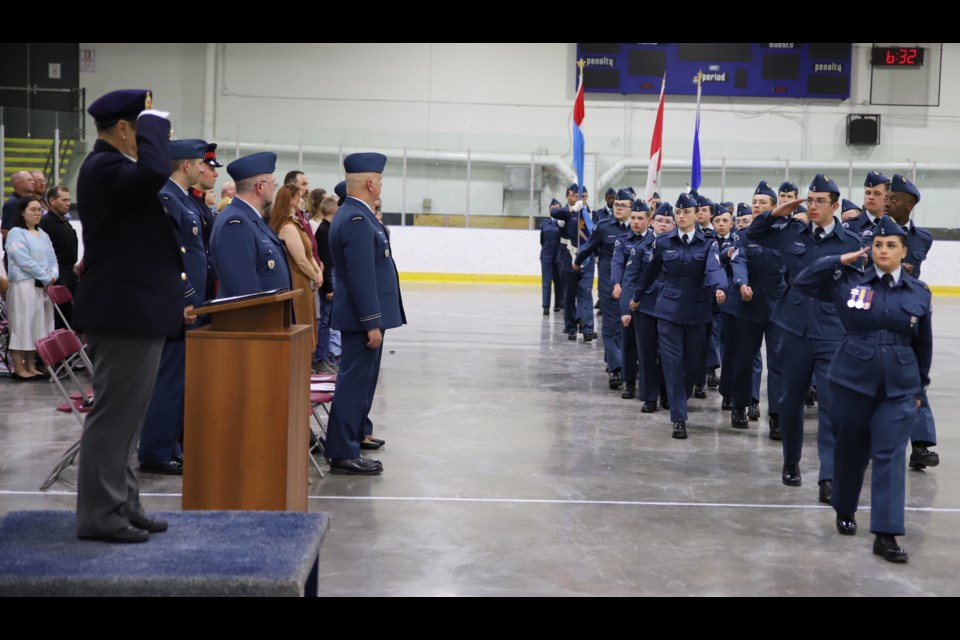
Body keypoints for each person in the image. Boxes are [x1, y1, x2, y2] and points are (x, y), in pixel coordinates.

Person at [73, 89, 187, 543]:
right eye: (146, 131)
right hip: (123, 313)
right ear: (124, 129)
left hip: (134, 311)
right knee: (115, 417)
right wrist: (157, 119)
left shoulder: (115, 170)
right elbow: (158, 169)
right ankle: (100, 514)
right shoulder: (106, 167)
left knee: (129, 419)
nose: (157, 142)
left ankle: (125, 503)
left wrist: (152, 122)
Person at [790, 216, 931, 563]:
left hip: (898, 388)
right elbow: (802, 281)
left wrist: (919, 391)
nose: (884, 250)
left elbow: (922, 347)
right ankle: (845, 506)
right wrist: (838, 259)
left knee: (889, 456)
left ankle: (886, 533)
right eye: (878, 245)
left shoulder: (918, 292)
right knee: (851, 452)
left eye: (891, 245)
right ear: (870, 249)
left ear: (903, 252)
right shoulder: (848, 282)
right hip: (851, 381)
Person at [744, 174, 863, 504]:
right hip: (793, 327)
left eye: (820, 201)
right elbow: (752, 234)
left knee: (830, 404)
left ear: (835, 205)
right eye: (810, 200)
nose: (812, 206)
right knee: (790, 400)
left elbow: (859, 288)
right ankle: (791, 461)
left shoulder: (850, 241)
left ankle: (828, 476)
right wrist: (776, 212)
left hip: (831, 331)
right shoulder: (791, 232)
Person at [325, 152, 405, 474]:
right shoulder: (357, 219)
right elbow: (361, 276)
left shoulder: (355, 214)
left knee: (361, 382)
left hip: (364, 317)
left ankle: (352, 440)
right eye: (380, 180)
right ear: (371, 182)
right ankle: (343, 452)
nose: (381, 185)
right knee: (353, 385)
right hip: (362, 320)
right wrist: (372, 322)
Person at [137, 138, 209, 477]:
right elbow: (167, 256)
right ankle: (154, 451)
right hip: (177, 305)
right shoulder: (166, 198)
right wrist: (185, 297)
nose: (202, 168)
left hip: (189, 304)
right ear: (185, 165)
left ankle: (170, 445)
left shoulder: (183, 199)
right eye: (198, 163)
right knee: (169, 379)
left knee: (180, 380)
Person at [630, 193, 727, 439]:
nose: (682, 216)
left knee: (693, 366)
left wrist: (719, 288)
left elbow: (714, 268)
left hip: (698, 311)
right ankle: (679, 418)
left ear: (697, 215)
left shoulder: (708, 243)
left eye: (686, 212)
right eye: (678, 213)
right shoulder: (663, 242)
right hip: (669, 310)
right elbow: (650, 270)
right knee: (672, 364)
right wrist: (637, 295)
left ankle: (680, 399)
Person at [883, 176, 938, 471]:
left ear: (909, 204)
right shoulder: (871, 233)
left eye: (894, 199)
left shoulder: (922, 238)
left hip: (908, 315)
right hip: (876, 312)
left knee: (915, 378)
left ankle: (920, 445)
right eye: (886, 198)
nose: (888, 202)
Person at [729, 181, 786, 435]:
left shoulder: (784, 235)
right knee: (743, 360)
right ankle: (740, 406)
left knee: (778, 364)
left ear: (774, 208)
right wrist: (742, 284)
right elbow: (738, 261)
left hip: (777, 306)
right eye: (754, 202)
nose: (756, 206)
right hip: (749, 305)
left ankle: (776, 414)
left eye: (762, 202)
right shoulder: (743, 235)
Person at [209, 152, 292, 297]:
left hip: (273, 315)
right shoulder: (236, 223)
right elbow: (243, 292)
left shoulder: (251, 218)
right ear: (260, 187)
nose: (274, 189)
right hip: (256, 318)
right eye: (273, 184)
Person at [574, 188, 632, 388]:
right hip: (608, 283)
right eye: (617, 205)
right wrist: (578, 261)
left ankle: (620, 361)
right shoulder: (604, 227)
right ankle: (616, 370)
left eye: (623, 206)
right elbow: (588, 247)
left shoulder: (637, 229)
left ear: (631, 209)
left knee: (628, 326)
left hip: (631, 285)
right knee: (611, 325)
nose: (618, 208)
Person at [3, 196, 57, 381]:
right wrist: (44, 276)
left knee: (37, 326)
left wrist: (53, 275)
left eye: (39, 210)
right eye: (32, 210)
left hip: (41, 286)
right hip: (23, 285)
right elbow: (23, 260)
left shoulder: (43, 234)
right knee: (22, 325)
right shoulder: (16, 233)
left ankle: (31, 366)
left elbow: (52, 258)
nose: (37, 213)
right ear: (22, 212)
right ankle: (19, 368)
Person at [269, 183, 321, 353]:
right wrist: (316, 275)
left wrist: (316, 270)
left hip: (304, 280)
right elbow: (300, 260)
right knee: (303, 320)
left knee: (309, 320)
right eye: (299, 196)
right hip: (298, 282)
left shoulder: (295, 224)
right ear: (291, 200)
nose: (303, 200)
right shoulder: (289, 227)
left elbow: (308, 254)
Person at [613, 199, 652, 400]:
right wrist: (616, 284)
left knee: (647, 347)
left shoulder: (656, 241)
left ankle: (647, 383)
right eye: (633, 218)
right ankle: (628, 382)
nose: (635, 222)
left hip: (650, 300)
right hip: (629, 296)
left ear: (649, 220)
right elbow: (618, 265)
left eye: (640, 218)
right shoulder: (622, 240)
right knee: (628, 342)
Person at [38, 185, 79, 329]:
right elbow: (42, 251)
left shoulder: (64, 221)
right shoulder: (45, 222)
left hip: (69, 272)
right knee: (61, 317)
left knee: (73, 315)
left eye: (69, 200)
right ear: (52, 201)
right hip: (57, 274)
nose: (68, 203)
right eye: (64, 200)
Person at [313, 194, 339, 373]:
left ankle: (323, 357)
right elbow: (326, 261)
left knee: (328, 320)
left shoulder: (328, 228)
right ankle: (320, 358)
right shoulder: (325, 230)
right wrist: (329, 287)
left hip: (331, 276)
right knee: (325, 320)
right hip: (329, 278)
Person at [843, 171, 888, 236]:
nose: (871, 197)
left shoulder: (896, 226)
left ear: (886, 198)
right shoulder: (850, 228)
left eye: (877, 193)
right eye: (868, 193)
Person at [539, 201, 563, 316]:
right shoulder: (545, 223)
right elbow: (542, 240)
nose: (555, 211)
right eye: (553, 208)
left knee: (559, 282)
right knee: (546, 282)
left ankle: (558, 304)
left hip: (559, 257)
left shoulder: (563, 223)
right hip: (546, 256)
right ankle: (546, 306)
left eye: (557, 208)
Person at [1, 171, 37, 244]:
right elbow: (5, 230)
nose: (33, 182)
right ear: (19, 184)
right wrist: (18, 248)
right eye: (29, 180)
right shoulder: (13, 203)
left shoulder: (28, 201)